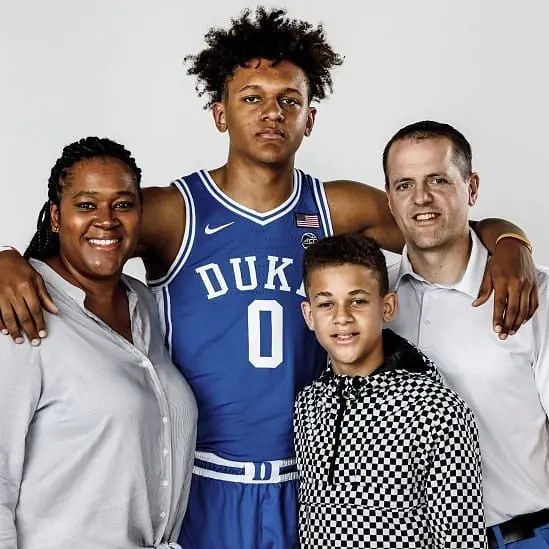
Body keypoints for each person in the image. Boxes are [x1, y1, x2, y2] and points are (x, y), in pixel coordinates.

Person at [0, 8, 538, 549]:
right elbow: (84, 242)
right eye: (251, 97)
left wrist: (509, 240)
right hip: (203, 480)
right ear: (220, 113)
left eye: (288, 100)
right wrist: (6, 261)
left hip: (313, 486)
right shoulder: (173, 211)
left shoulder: (336, 205)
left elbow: (435, 224)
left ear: (310, 117)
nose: (271, 113)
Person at [0, 137, 197, 549]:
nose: (106, 220)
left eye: (122, 204)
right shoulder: (21, 310)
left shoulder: (144, 302)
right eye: (86, 205)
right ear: (56, 217)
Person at [384, 120, 549, 548]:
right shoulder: (371, 302)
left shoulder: (536, 295)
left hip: (520, 537)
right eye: (404, 185)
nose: (421, 198)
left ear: (471, 188)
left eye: (438, 179)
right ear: (389, 199)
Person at [295, 232, 485, 548]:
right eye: (327, 303)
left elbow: (461, 540)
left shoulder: (437, 411)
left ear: (387, 307)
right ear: (309, 315)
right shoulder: (308, 405)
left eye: (358, 300)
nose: (342, 317)